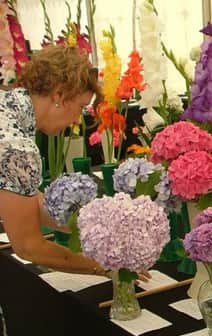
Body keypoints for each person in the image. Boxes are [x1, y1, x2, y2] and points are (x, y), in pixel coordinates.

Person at [0, 45, 143, 279]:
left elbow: (31, 202)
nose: (78, 118)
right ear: (58, 95)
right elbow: (28, 246)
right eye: (79, 106)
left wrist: (94, 228)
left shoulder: (7, 107)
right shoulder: (17, 147)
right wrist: (103, 266)